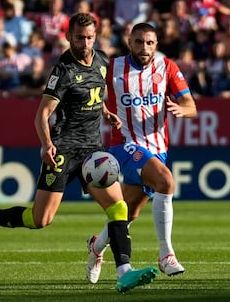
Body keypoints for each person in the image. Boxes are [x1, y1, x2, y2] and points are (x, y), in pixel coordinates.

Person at [0, 13, 158, 293]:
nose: (85, 42)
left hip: (92, 151)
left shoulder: (102, 61)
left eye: (90, 37)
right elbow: (41, 116)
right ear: (68, 37)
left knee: (119, 207)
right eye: (79, 37)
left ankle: (124, 272)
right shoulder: (63, 70)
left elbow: (94, 95)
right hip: (64, 150)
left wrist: (106, 112)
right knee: (40, 219)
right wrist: (47, 143)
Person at [86, 22, 197, 284]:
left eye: (149, 43)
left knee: (125, 214)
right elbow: (87, 91)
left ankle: (96, 247)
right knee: (166, 181)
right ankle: (166, 254)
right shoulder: (112, 67)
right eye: (139, 42)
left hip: (158, 149)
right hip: (125, 145)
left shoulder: (167, 67)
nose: (144, 47)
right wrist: (103, 111)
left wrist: (183, 110)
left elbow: (191, 105)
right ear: (129, 42)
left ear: (156, 44)